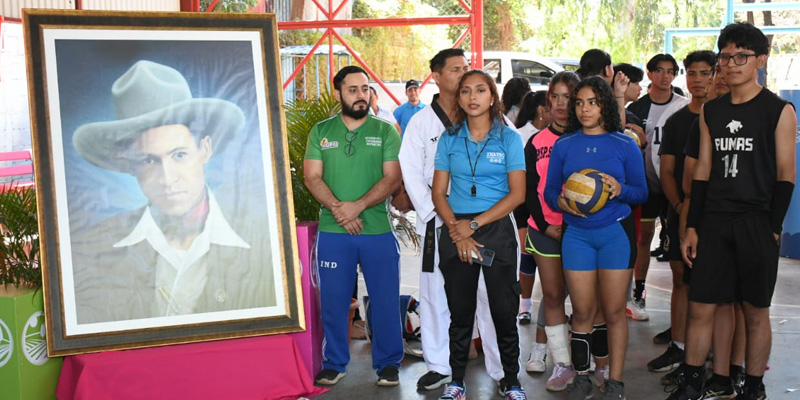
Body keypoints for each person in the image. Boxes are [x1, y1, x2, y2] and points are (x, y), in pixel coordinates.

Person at [71, 60, 275, 323]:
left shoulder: (262, 241)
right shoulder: (96, 246)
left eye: (179, 155)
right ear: (129, 166)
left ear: (205, 149)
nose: (167, 179)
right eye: (148, 160)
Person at [671, 22, 797, 400]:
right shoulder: (712, 112)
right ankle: (692, 382)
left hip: (756, 222)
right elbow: (703, 173)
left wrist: (773, 228)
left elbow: (786, 176)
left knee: (755, 310)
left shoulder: (779, 110)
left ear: (759, 60)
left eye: (740, 56)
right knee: (701, 307)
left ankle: (753, 387)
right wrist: (693, 226)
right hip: (714, 222)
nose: (731, 64)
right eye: (725, 57)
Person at [399, 48, 505, 391]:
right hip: (439, 219)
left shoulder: (489, 115)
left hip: (486, 219)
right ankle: (440, 364)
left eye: (467, 68)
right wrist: (435, 215)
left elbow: (510, 161)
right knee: (435, 295)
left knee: (492, 294)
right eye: (456, 69)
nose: (464, 75)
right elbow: (411, 172)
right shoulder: (421, 122)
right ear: (437, 76)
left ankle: (504, 368)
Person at [544, 76, 648, 400]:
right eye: (579, 103)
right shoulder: (564, 145)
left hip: (614, 236)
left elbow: (641, 191)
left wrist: (620, 189)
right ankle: (582, 377)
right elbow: (549, 191)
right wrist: (560, 201)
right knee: (583, 312)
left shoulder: (625, 144)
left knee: (615, 311)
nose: (584, 109)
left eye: (592, 102)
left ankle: (615, 381)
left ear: (604, 104)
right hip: (577, 236)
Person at [303, 65, 404, 387]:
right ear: (338, 94)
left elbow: (392, 178)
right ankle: (334, 361)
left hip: (377, 231)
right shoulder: (321, 131)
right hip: (334, 233)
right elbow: (311, 177)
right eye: (352, 90)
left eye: (365, 89)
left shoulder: (386, 130)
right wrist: (339, 210)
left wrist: (356, 207)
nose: (361, 96)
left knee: (385, 300)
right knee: (332, 301)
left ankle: (388, 363)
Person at [432, 69, 527, 400]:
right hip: (456, 228)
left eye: (480, 90)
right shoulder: (449, 138)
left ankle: (511, 381)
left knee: (503, 310)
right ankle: (457, 382)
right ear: (458, 98)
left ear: (492, 97)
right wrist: (459, 232)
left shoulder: (509, 138)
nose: (473, 97)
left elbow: (517, 195)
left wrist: (474, 226)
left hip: (496, 229)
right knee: (460, 312)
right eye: (466, 91)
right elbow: (438, 193)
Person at [647, 50, 716, 379]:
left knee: (717, 288)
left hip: (718, 218)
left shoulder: (725, 115)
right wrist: (678, 209)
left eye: (705, 73)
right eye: (692, 73)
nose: (698, 80)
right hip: (681, 214)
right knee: (681, 281)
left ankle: (717, 354)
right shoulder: (676, 120)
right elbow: (669, 171)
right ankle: (679, 345)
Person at [522, 71, 582, 390]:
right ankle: (554, 357)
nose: (561, 104)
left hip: (581, 231)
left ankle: (589, 362)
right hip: (545, 229)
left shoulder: (587, 137)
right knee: (553, 293)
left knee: (584, 300)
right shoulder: (536, 142)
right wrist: (545, 226)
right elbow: (529, 190)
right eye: (555, 97)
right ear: (547, 103)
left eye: (568, 97)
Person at [626, 53, 689, 322]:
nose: (666, 76)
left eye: (671, 71)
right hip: (648, 185)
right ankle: (638, 292)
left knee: (678, 239)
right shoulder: (637, 109)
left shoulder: (684, 107)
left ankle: (684, 301)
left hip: (675, 186)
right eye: (660, 71)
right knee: (643, 238)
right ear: (649, 74)